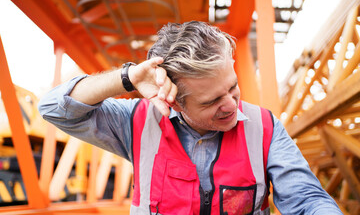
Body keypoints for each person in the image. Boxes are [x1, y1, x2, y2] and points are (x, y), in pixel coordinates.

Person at [38, 21, 342, 214]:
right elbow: (53, 108)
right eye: (211, 101)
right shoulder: (138, 124)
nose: (231, 105)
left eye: (233, 87)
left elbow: (305, 201)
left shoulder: (264, 128)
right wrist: (127, 77)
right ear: (176, 103)